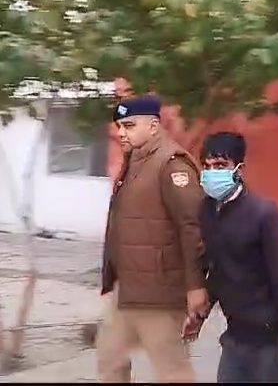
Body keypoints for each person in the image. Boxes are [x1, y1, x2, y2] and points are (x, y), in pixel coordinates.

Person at [182, 132, 278, 383]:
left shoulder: (262, 213)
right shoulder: (208, 210)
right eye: (207, 166)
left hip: (269, 341)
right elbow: (219, 268)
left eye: (220, 165)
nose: (212, 172)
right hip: (235, 336)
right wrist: (200, 314)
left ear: (239, 169)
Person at [97, 94, 209, 382]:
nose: (122, 133)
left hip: (161, 294)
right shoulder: (134, 161)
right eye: (119, 127)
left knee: (172, 371)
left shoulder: (171, 164)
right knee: (110, 359)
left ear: (154, 126)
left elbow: (193, 227)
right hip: (129, 290)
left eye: (130, 126)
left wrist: (195, 286)